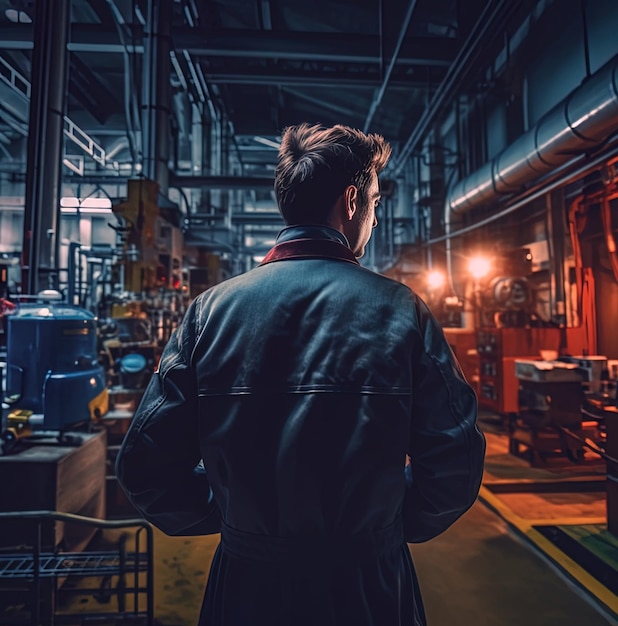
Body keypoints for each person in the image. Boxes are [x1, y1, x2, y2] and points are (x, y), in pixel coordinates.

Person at [116, 123, 485, 626]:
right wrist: (387, 524)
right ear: (351, 201)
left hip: (248, 587)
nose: (374, 220)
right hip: (368, 586)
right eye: (375, 202)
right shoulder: (401, 311)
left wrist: (233, 516)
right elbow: (455, 465)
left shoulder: (211, 312)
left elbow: (145, 469)